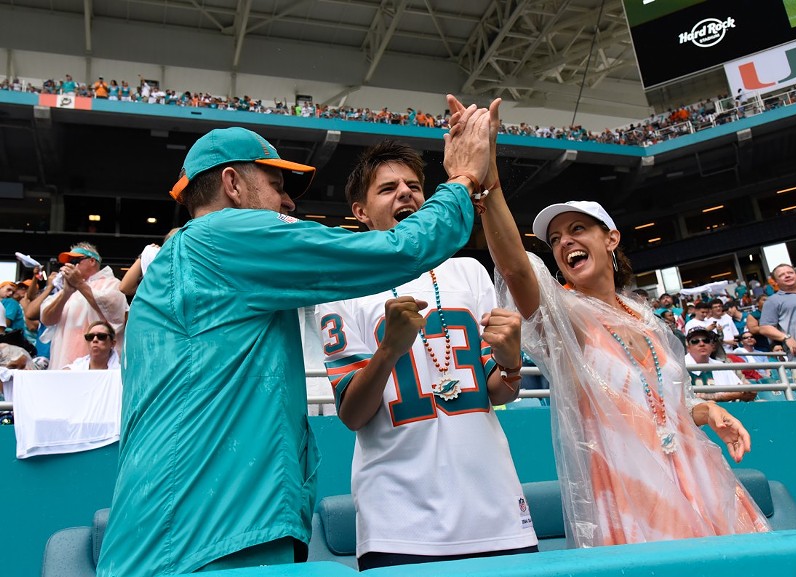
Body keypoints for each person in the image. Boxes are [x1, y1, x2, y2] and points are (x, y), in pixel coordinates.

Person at [97, 111, 494, 577]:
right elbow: (397, 251)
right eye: (277, 183)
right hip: (206, 539)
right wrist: (463, 178)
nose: (288, 201)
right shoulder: (228, 236)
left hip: (185, 529)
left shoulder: (178, 263)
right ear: (233, 184)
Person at [454, 95, 769, 547]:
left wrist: (705, 411)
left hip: (699, 479)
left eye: (577, 230)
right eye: (556, 239)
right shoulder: (566, 317)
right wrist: (489, 183)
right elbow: (516, 269)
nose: (564, 243)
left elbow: (666, 405)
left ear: (611, 239)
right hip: (631, 491)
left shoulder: (644, 316)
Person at [316, 141, 537, 571]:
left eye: (414, 185)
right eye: (388, 188)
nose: (406, 193)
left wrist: (510, 361)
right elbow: (352, 414)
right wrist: (388, 351)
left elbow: (496, 392)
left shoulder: (469, 272)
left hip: (495, 507)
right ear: (360, 212)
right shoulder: (343, 288)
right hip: (400, 520)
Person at [39, 243, 127, 370]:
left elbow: (115, 313)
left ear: (92, 261)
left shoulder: (111, 283)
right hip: (64, 362)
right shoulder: (64, 288)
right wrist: (66, 293)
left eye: (75, 261)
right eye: (68, 262)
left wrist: (79, 284)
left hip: (98, 365)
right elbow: (46, 319)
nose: (69, 265)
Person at [685, 327, 757, 403]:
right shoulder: (679, 366)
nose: (702, 344)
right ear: (688, 348)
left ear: (712, 346)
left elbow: (747, 393)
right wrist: (731, 395)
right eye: (695, 341)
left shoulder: (721, 366)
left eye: (706, 340)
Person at [758, 264, 796, 362]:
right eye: (781, 275)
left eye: (790, 273)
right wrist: (786, 338)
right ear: (775, 282)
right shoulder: (773, 300)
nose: (787, 275)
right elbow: (765, 328)